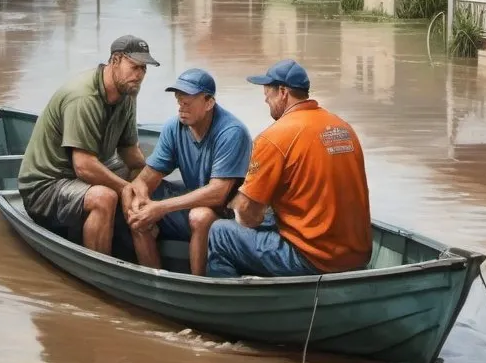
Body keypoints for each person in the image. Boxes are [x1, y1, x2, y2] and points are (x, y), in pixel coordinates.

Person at [205, 59, 372, 279]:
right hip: (357, 255)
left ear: (283, 92)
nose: (265, 98)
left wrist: (235, 205)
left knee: (220, 232)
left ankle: (226, 306)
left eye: (268, 92)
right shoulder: (343, 128)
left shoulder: (274, 137)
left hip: (312, 258)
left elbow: (249, 215)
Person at [17, 34, 160, 258]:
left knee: (141, 177)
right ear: (115, 61)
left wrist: (144, 183)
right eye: (134, 67)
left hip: (81, 176)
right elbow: (83, 166)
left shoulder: (127, 93)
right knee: (105, 197)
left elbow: (130, 152)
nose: (139, 75)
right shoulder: (83, 97)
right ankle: (100, 267)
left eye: (144, 69)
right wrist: (124, 189)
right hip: (46, 186)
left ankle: (140, 254)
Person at [124, 67, 252, 276]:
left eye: (187, 103)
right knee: (129, 193)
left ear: (209, 102)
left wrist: (159, 208)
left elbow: (218, 193)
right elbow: (145, 179)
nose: (181, 108)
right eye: (178, 102)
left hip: (227, 214)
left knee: (199, 217)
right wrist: (141, 199)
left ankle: (197, 283)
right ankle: (154, 277)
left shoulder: (232, 132)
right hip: (192, 202)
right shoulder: (174, 128)